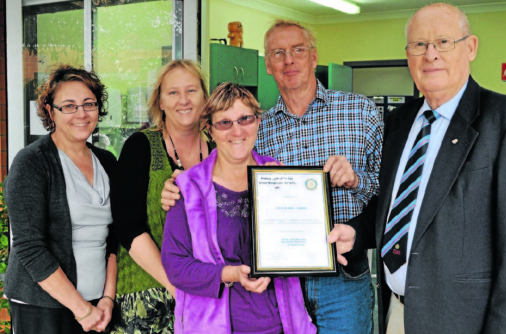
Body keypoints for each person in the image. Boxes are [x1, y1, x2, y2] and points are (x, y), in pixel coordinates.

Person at [333, 3, 506, 333]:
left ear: (471, 47)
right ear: (408, 55)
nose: (430, 54)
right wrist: (358, 233)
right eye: (419, 44)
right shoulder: (399, 122)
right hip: (396, 315)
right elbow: (401, 206)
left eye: (444, 42)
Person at [161, 20, 383, 333]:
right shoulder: (257, 129)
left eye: (297, 50)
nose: (288, 60)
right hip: (280, 286)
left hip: (342, 279)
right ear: (267, 64)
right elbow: (221, 183)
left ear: (313, 56)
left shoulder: (359, 111)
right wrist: (180, 187)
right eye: (278, 53)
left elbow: (392, 192)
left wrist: (356, 180)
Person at [161, 82, 316, 334]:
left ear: (257, 122)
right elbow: (175, 266)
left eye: (245, 119)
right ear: (209, 130)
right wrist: (230, 273)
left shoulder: (281, 177)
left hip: (281, 326)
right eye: (224, 123)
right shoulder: (187, 188)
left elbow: (302, 246)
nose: (237, 131)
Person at [4, 65, 118, 333]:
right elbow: (30, 247)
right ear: (50, 110)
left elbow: (115, 237)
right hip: (43, 307)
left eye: (88, 104)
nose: (81, 113)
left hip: (98, 307)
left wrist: (107, 299)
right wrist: (81, 310)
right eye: (69, 106)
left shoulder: (107, 162)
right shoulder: (32, 162)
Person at [110, 59, 213, 333]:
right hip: (149, 299)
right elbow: (128, 228)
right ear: (160, 102)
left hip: (208, 295)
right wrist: (177, 288)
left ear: (204, 96)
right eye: (173, 92)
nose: (184, 100)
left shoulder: (218, 149)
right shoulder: (141, 146)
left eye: (191, 90)